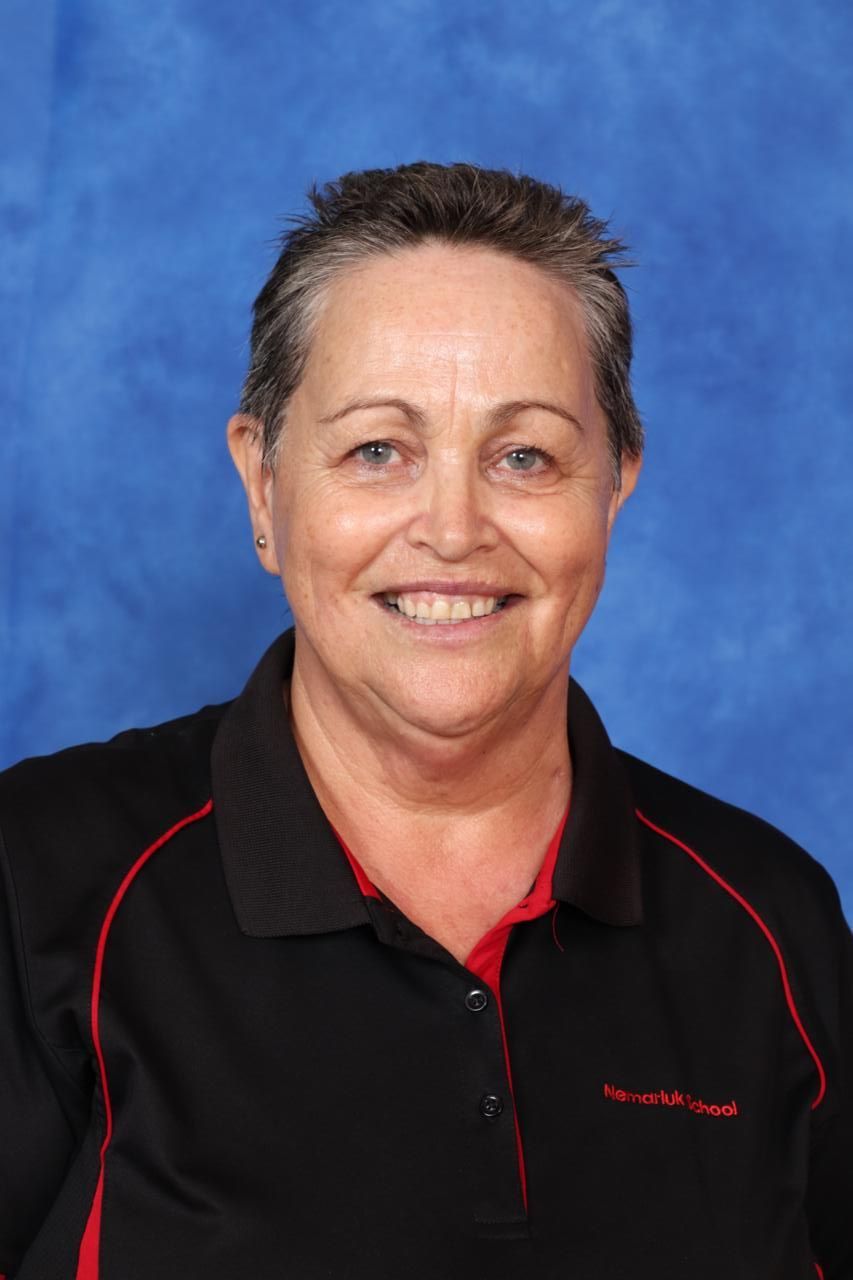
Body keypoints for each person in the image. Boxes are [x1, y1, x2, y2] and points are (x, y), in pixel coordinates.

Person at [0, 162, 850, 1280]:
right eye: (376, 450)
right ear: (262, 487)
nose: (452, 530)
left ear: (615, 486)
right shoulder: (34, 878)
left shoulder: (771, 920)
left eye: (524, 455)